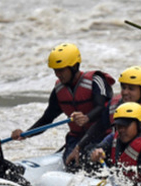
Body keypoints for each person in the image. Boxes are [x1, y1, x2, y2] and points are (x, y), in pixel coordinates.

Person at [10, 43, 114, 171]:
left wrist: (87, 118)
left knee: (88, 159)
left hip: (101, 136)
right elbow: (47, 118)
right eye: (55, 70)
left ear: (74, 66)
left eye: (61, 70)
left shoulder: (96, 81)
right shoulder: (59, 90)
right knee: (72, 163)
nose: (58, 74)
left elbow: (103, 108)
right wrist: (25, 134)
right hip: (76, 138)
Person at [66, 65, 141, 166]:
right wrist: (79, 147)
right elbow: (100, 126)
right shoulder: (116, 104)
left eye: (131, 89)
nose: (125, 92)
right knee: (85, 156)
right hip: (122, 150)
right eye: (123, 87)